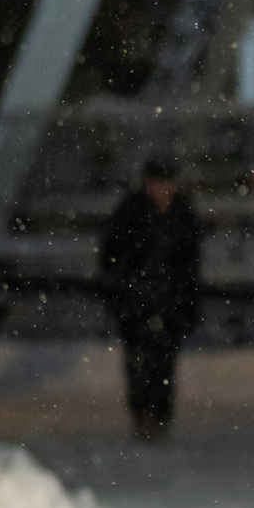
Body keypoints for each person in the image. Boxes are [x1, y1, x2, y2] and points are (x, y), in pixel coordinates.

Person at [97, 156, 203, 441]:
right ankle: (142, 415)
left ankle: (160, 415)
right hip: (137, 302)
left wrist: (188, 302)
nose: (162, 189)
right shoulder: (131, 212)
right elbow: (112, 256)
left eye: (166, 182)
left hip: (170, 302)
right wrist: (123, 292)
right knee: (138, 362)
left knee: (164, 362)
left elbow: (190, 264)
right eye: (157, 183)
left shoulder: (182, 213)